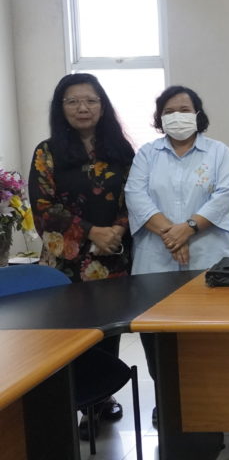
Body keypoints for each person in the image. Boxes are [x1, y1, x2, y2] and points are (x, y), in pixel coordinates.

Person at [125, 85, 229, 427]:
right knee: (158, 337)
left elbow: (227, 193)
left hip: (210, 257)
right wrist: (171, 234)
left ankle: (213, 402)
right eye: (169, 110)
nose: (177, 115)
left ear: (198, 113)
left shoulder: (218, 152)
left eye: (184, 109)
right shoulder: (148, 153)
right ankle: (167, 400)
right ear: (160, 117)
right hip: (155, 262)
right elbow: (136, 194)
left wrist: (187, 228)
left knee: (207, 336)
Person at [28, 72, 135, 438]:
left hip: (113, 259)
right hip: (67, 265)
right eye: (73, 101)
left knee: (108, 334)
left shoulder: (121, 152)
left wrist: (117, 230)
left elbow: (134, 199)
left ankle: (101, 401)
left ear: (102, 106)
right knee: (71, 337)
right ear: (61, 108)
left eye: (90, 100)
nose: (82, 108)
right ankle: (74, 400)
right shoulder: (47, 152)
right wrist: (92, 231)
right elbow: (43, 208)